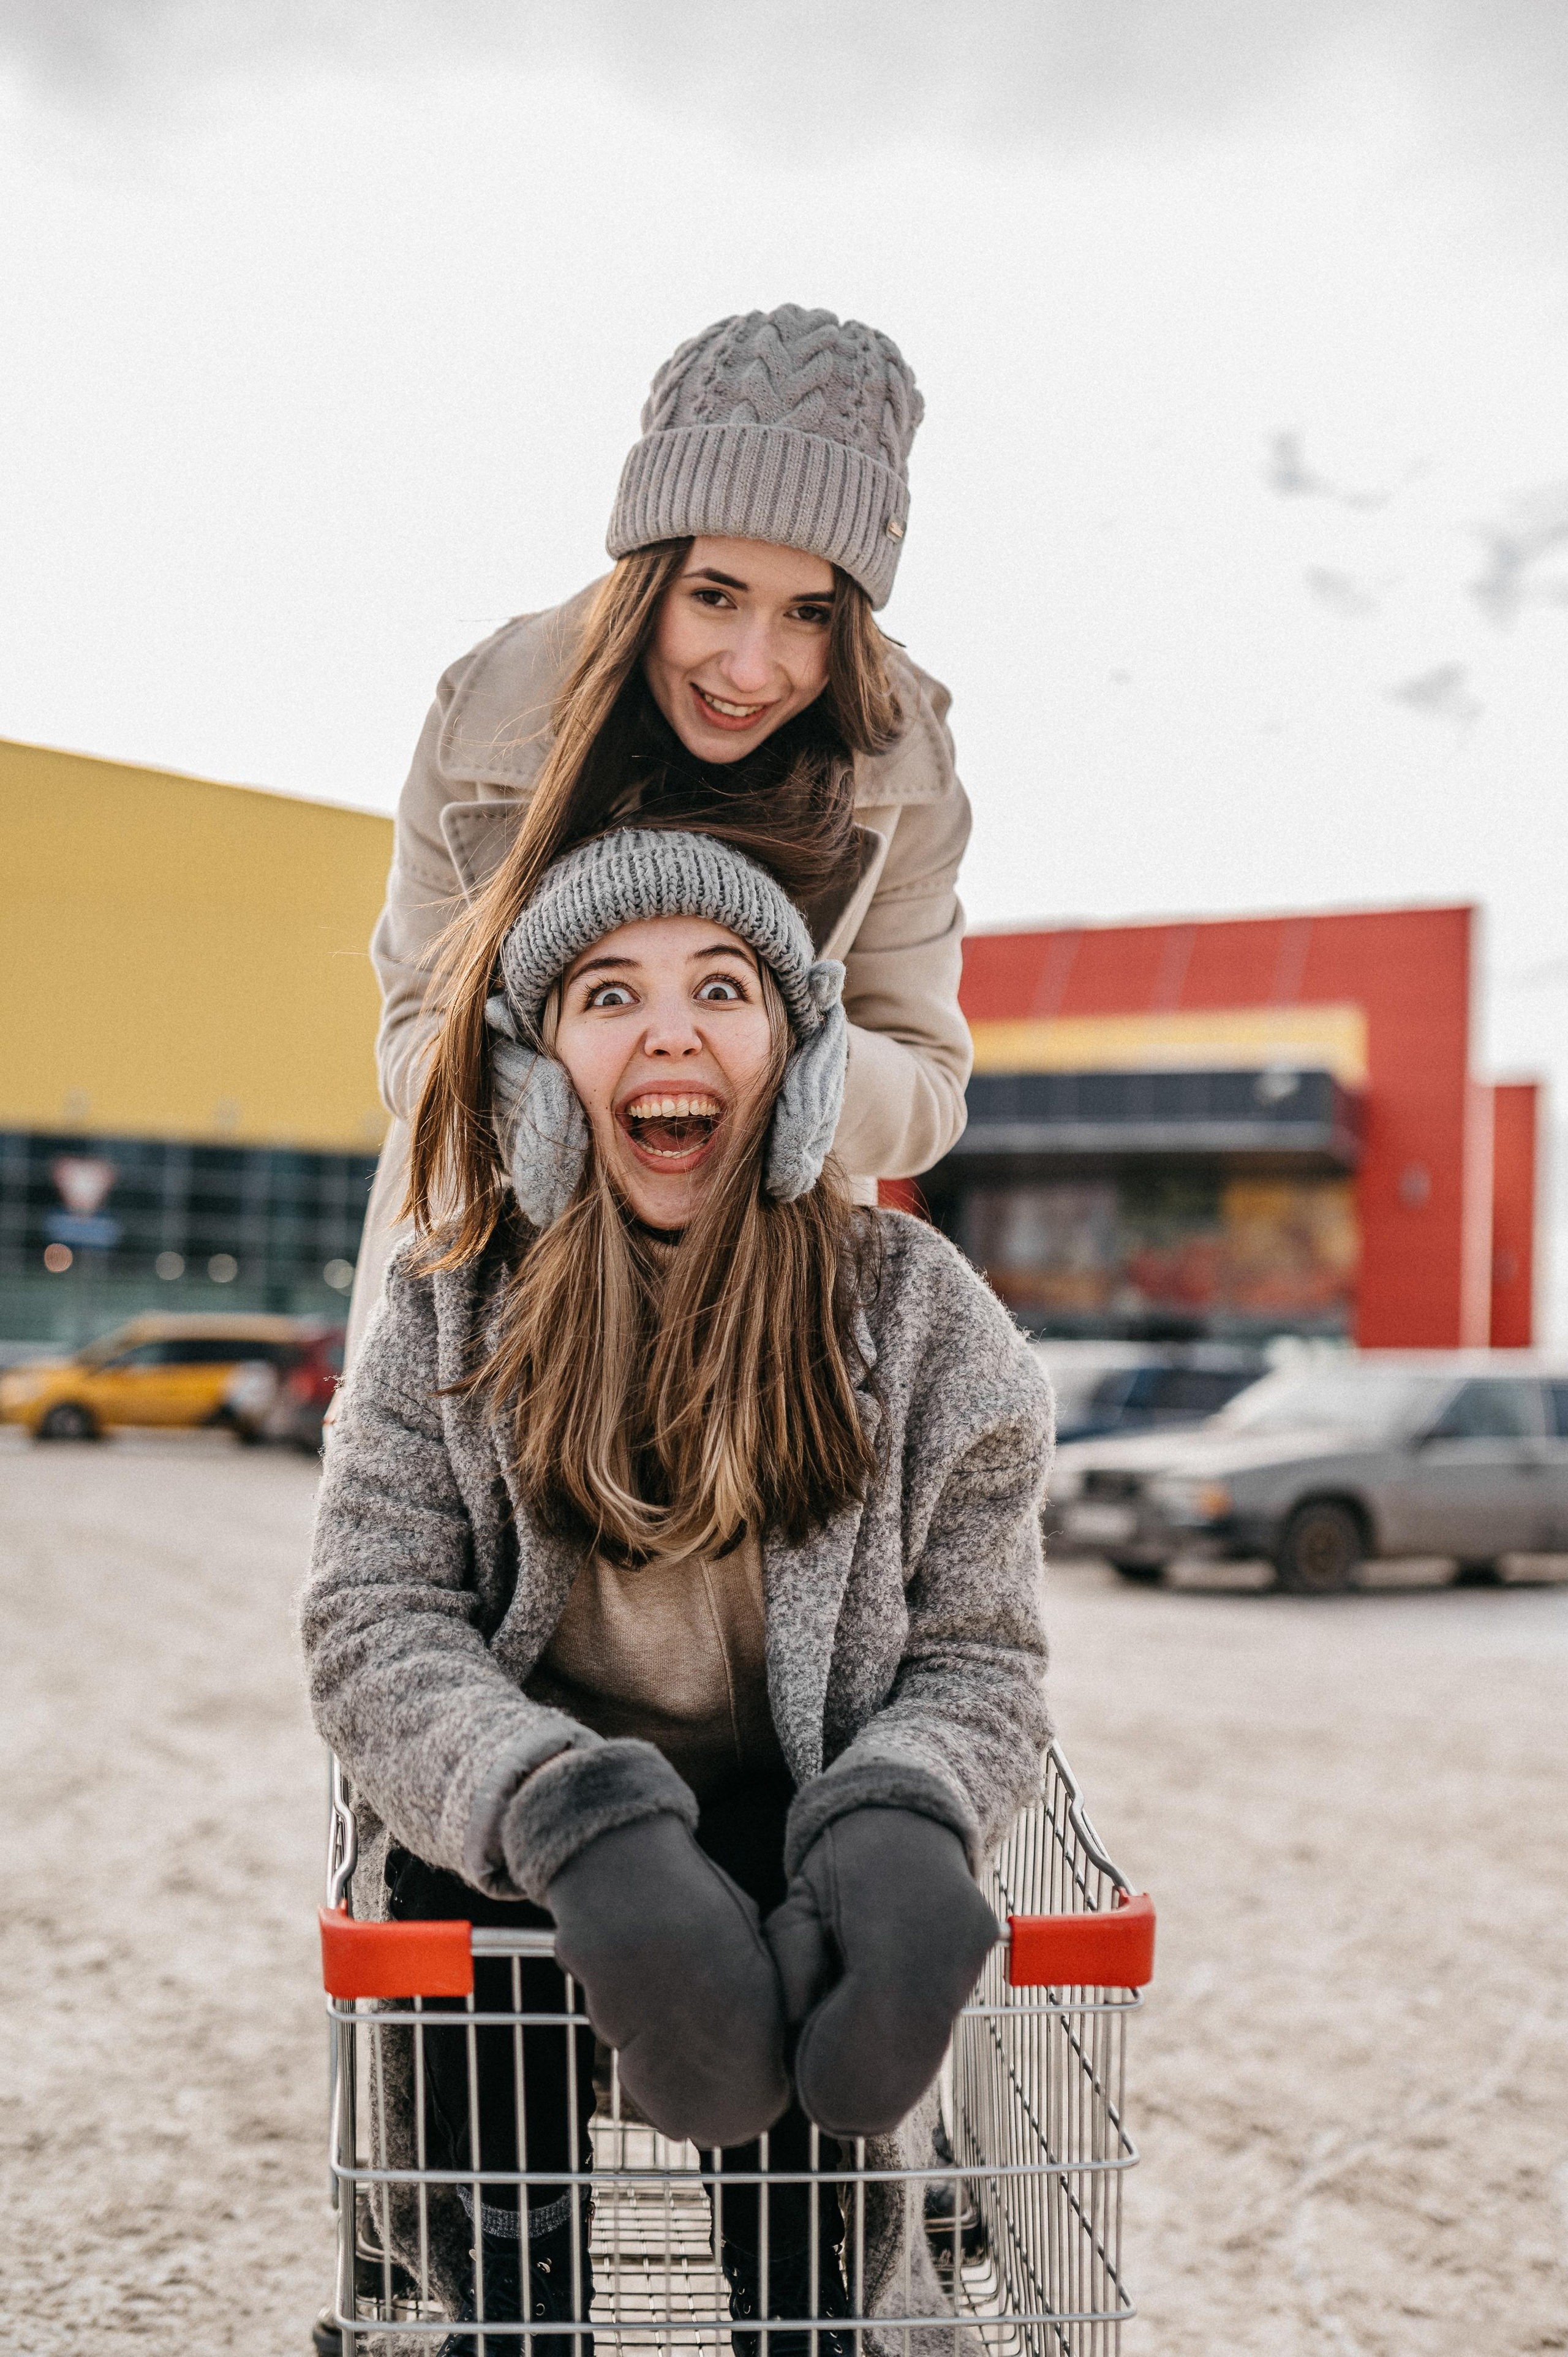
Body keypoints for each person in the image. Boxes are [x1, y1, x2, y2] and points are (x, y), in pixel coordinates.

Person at [301, 828, 1053, 2357]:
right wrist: (566, 1815)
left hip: (798, 1818)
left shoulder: (918, 1319)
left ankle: (802, 2319)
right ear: (540, 1066)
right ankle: (517, 2320)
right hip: (535, 1840)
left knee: (803, 1916)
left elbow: (980, 1651)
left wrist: (910, 1809)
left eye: (723, 987)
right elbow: (372, 1623)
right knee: (460, 1910)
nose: (669, 1033)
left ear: (792, 1051)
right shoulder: (450, 1308)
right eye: (606, 994)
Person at [345, 302, 974, 1360]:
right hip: (491, 1295)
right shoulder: (484, 718)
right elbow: (414, 1029)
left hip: (756, 1324)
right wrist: (542, 1111)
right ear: (651, 574)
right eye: (715, 597)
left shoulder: (902, 772)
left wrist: (788, 1070)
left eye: (809, 614)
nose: (750, 666)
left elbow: (924, 1094)